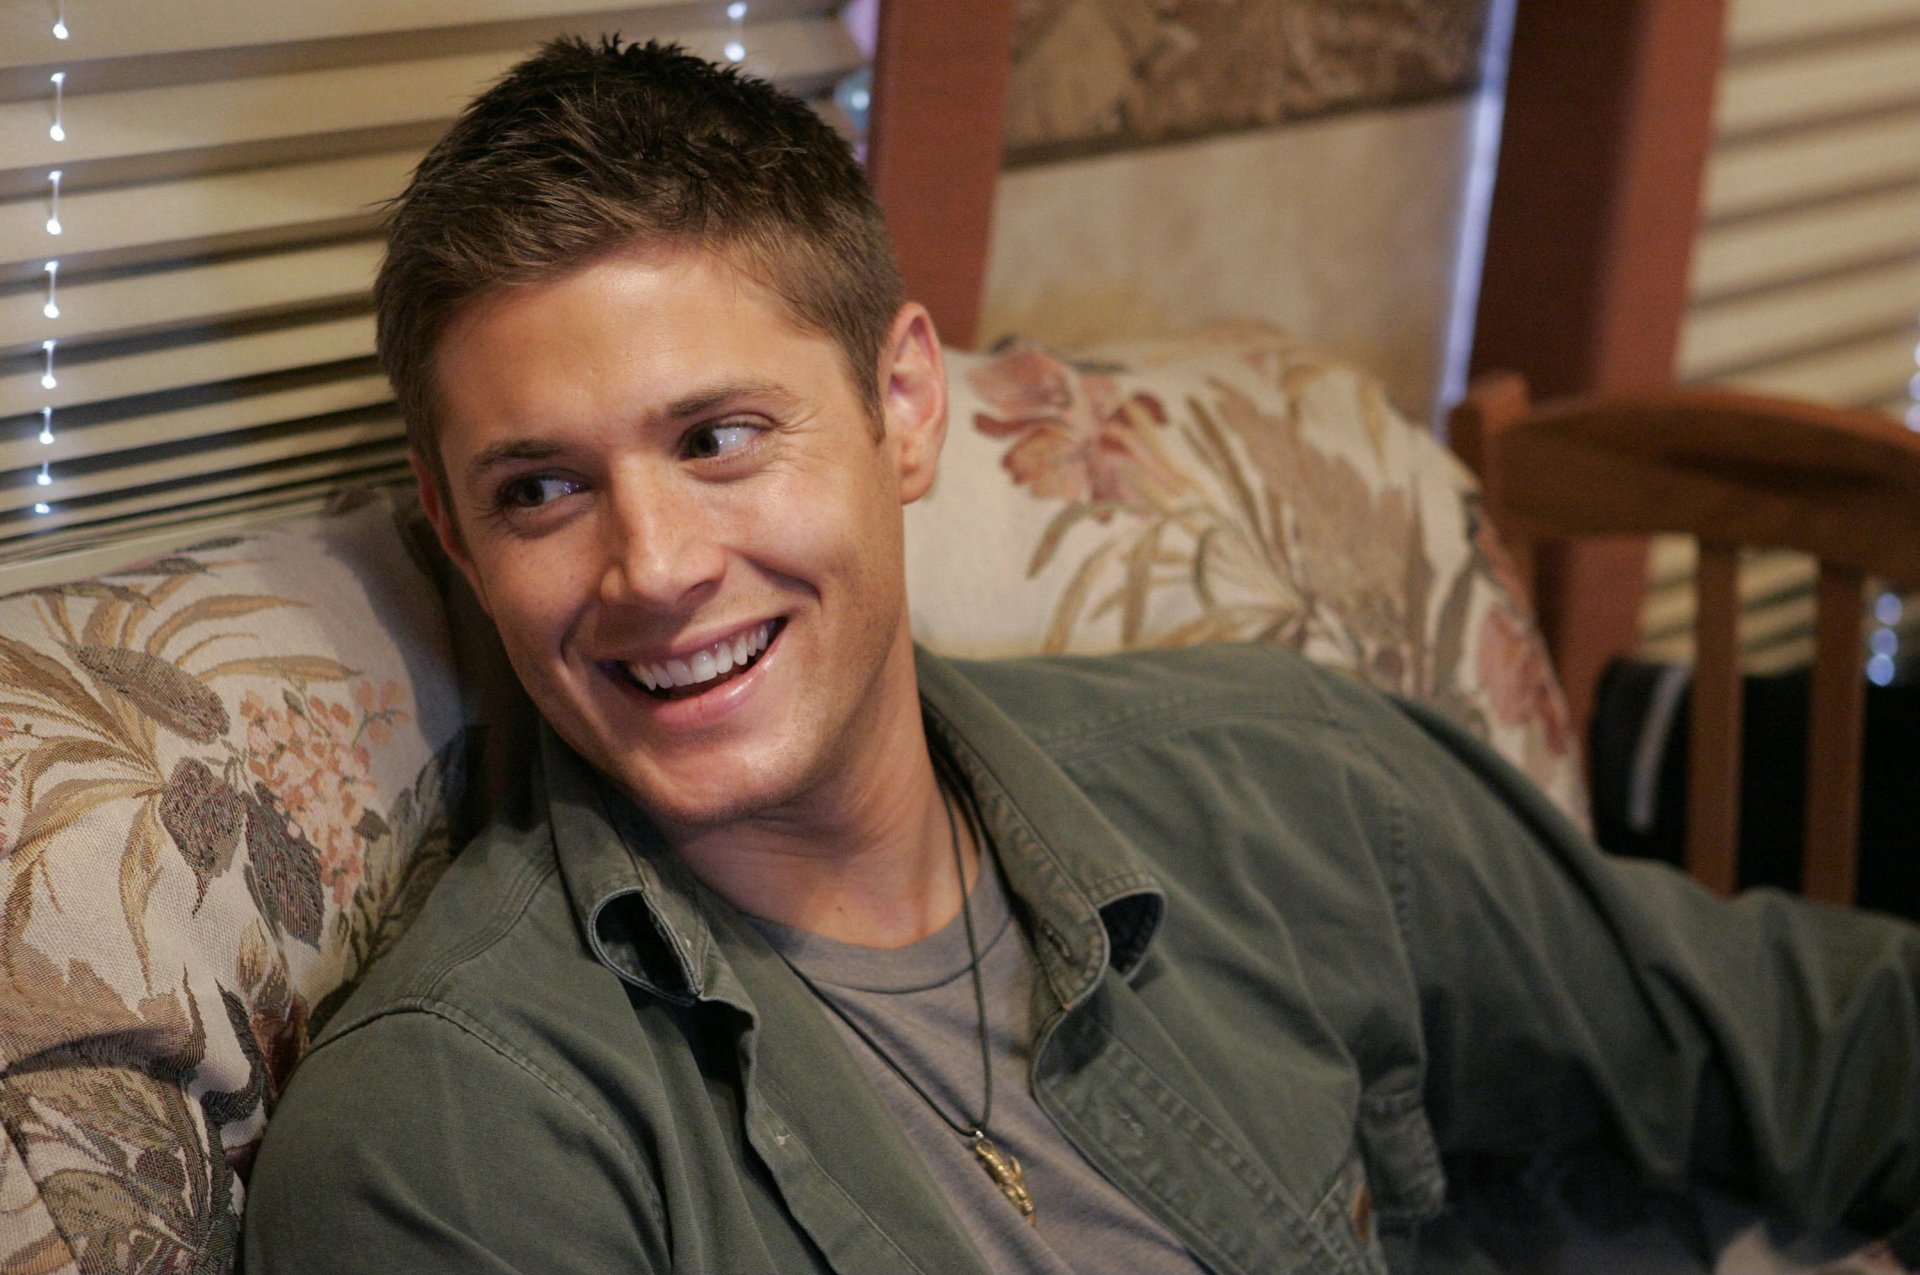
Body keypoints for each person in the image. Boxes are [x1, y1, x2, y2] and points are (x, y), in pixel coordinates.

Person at [243, 36, 1920, 1274]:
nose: (656, 569)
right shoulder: (461, 1146)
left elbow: (1837, 1046)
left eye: (720, 437)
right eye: (540, 490)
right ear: (453, 538)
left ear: (906, 406)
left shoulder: (1284, 783)